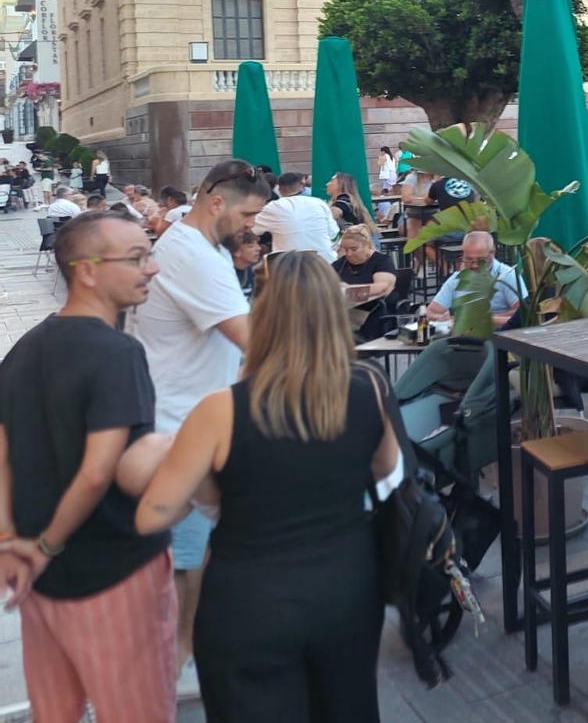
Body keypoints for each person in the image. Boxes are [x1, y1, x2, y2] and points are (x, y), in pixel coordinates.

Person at [135, 253, 399, 722]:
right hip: (349, 586)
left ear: (263, 312)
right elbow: (387, 471)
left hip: (250, 600)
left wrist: (174, 461)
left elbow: (154, 513)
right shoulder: (368, 387)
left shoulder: (219, 410)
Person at [0, 212, 176, 723]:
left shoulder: (23, 349)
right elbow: (99, 471)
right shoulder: (117, 353)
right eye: (138, 258)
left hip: (41, 582)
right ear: (88, 271)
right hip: (113, 571)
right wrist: (47, 544)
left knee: (54, 711)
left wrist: (12, 541)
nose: (154, 268)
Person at [130, 158, 271, 693]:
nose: (250, 226)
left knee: (199, 550)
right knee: (188, 558)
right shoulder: (193, 254)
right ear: (218, 203)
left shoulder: (201, 246)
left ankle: (184, 646)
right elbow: (253, 341)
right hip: (181, 424)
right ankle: (179, 657)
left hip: (189, 414)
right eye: (249, 214)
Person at [425, 230, 524, 330]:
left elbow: (523, 314)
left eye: (480, 260)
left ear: (492, 253)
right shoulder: (456, 279)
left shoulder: (507, 275)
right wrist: (446, 319)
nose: (474, 265)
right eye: (468, 259)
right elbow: (430, 313)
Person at [332, 226, 399, 339]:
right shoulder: (340, 265)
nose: (349, 254)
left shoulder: (381, 261)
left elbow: (383, 287)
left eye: (354, 249)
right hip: (345, 311)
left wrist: (348, 290)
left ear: (366, 246)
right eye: (345, 249)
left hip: (373, 311)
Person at [255, 172, 340, 260]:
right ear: (301, 187)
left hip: (290, 267)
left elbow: (253, 229)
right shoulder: (319, 203)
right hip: (325, 262)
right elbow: (333, 233)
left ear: (279, 189)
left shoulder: (273, 207)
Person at [223, 229, 263, 300]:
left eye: (257, 244)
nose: (258, 248)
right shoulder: (224, 274)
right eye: (251, 246)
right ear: (236, 252)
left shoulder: (253, 273)